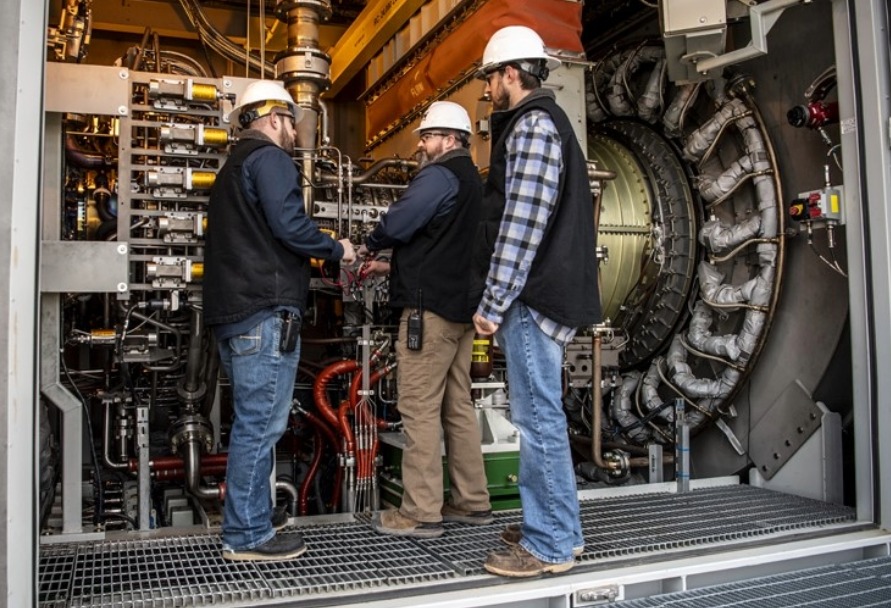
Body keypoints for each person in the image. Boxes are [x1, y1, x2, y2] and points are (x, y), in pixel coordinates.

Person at [204, 79, 356, 561]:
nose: (294, 131)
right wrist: (338, 249)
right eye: (291, 120)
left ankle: (253, 514)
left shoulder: (233, 167)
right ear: (273, 118)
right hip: (263, 314)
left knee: (254, 423)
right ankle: (246, 535)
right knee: (261, 426)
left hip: (235, 315)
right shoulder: (269, 159)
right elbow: (290, 226)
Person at [471, 25, 602, 577]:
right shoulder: (547, 124)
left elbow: (521, 225)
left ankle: (546, 544)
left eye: (490, 79)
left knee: (537, 419)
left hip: (530, 296)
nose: (487, 92)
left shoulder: (530, 127)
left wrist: (493, 302)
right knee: (540, 416)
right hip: (544, 291)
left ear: (509, 74)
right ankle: (557, 530)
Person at [360, 101, 492, 539]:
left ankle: (419, 512)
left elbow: (402, 222)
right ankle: (472, 501)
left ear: (450, 139)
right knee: (458, 407)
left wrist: (369, 244)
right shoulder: (472, 180)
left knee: (418, 408)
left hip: (428, 314)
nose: (420, 144)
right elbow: (443, 243)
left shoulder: (438, 175)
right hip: (461, 313)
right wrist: (392, 267)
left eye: (427, 136)